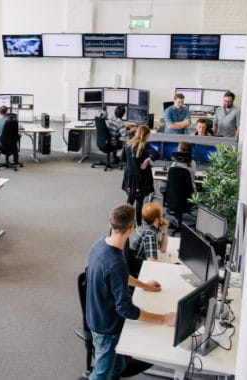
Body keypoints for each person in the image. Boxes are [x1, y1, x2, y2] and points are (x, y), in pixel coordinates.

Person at [86, 204, 176, 379]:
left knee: (117, 368)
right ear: (132, 227)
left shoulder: (100, 244)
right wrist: (162, 318)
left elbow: (120, 276)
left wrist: (144, 285)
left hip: (95, 313)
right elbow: (125, 309)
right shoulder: (116, 262)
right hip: (106, 327)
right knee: (101, 375)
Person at [121, 125, 159, 224]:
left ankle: (124, 221)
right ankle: (139, 224)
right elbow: (156, 154)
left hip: (130, 177)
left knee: (130, 200)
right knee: (139, 202)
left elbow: (122, 159)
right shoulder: (145, 145)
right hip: (141, 179)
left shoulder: (127, 144)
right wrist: (147, 160)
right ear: (145, 135)